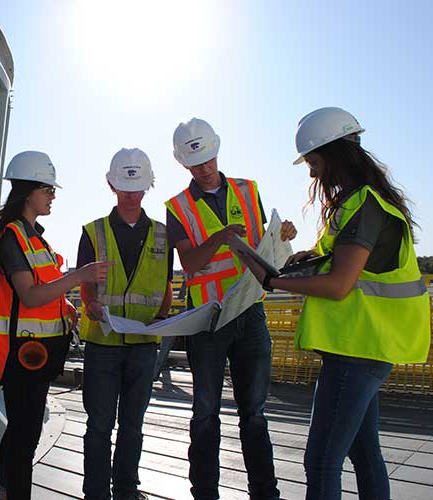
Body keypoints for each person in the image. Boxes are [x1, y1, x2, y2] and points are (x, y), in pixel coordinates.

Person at [238, 107, 431, 500]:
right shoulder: (362, 203)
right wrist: (309, 255)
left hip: (358, 350)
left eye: (313, 161)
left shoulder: (363, 206)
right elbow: (351, 265)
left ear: (335, 154)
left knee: (322, 461)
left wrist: (273, 280)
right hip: (366, 346)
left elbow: (341, 285)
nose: (311, 173)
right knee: (364, 452)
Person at [165, 118, 296, 500]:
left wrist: (283, 236)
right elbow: (189, 264)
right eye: (196, 162)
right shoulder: (178, 207)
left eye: (209, 158)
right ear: (183, 164)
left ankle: (265, 493)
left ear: (217, 151)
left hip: (250, 312)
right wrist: (220, 238)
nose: (205, 168)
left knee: (254, 413)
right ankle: (204, 493)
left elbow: (263, 245)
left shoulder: (248, 189)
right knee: (205, 413)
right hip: (208, 320)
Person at [0, 151, 112, 500]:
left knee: (21, 432)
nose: (53, 196)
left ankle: (7, 492)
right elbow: (28, 295)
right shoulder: (13, 237)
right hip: (21, 356)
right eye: (48, 190)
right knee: (25, 436)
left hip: (34, 355)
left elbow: (41, 290)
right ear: (29, 191)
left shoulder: (33, 236)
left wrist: (64, 306)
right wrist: (79, 276)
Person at [77, 148, 173, 500]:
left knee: (133, 427)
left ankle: (127, 491)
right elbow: (85, 284)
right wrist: (89, 305)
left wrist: (162, 318)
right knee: (99, 426)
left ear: (149, 185)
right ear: (111, 185)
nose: (132, 195)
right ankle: (96, 493)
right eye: (124, 187)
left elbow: (164, 285)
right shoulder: (93, 232)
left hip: (144, 346)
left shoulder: (164, 235)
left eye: (138, 187)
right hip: (103, 343)